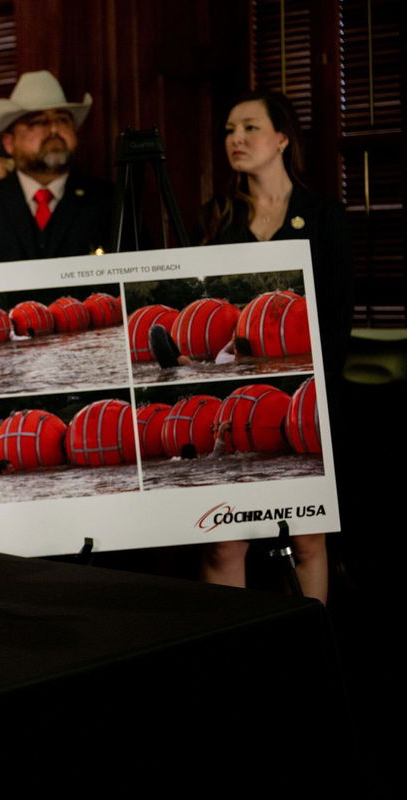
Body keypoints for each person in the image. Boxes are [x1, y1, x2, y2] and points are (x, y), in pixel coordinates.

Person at [199, 89, 352, 604]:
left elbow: (336, 322)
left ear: (283, 137)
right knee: (223, 544)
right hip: (232, 399)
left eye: (249, 127)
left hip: (307, 402)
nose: (235, 139)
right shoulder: (216, 219)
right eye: (228, 130)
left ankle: (317, 659)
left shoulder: (325, 217)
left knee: (308, 540)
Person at [0, 70, 112, 265]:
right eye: (38, 122)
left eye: (62, 120)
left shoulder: (109, 200)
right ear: (9, 142)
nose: (54, 130)